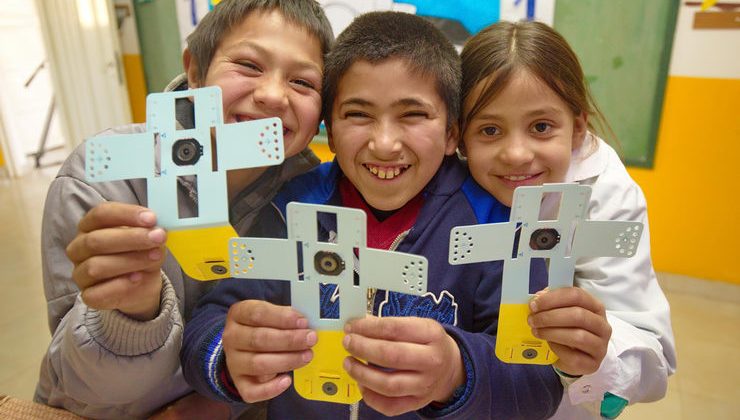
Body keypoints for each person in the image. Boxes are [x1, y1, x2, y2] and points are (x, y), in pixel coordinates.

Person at [181, 11, 563, 419]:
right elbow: (210, 321)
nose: (384, 144)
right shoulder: (293, 207)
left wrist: (456, 371)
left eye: (413, 115)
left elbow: (539, 387)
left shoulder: (497, 225)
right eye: (358, 114)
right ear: (329, 125)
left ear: (453, 132)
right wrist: (227, 356)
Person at [35, 1, 333, 418]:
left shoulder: (309, 198)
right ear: (195, 72)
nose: (271, 95)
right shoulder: (100, 177)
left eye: (303, 82)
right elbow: (86, 385)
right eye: (248, 65)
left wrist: (217, 403)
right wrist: (133, 312)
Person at [458, 20, 676, 419]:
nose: (517, 154)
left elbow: (652, 364)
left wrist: (596, 354)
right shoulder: (447, 177)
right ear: (458, 137)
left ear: (576, 127)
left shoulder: (607, 193)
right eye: (489, 130)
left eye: (541, 127)